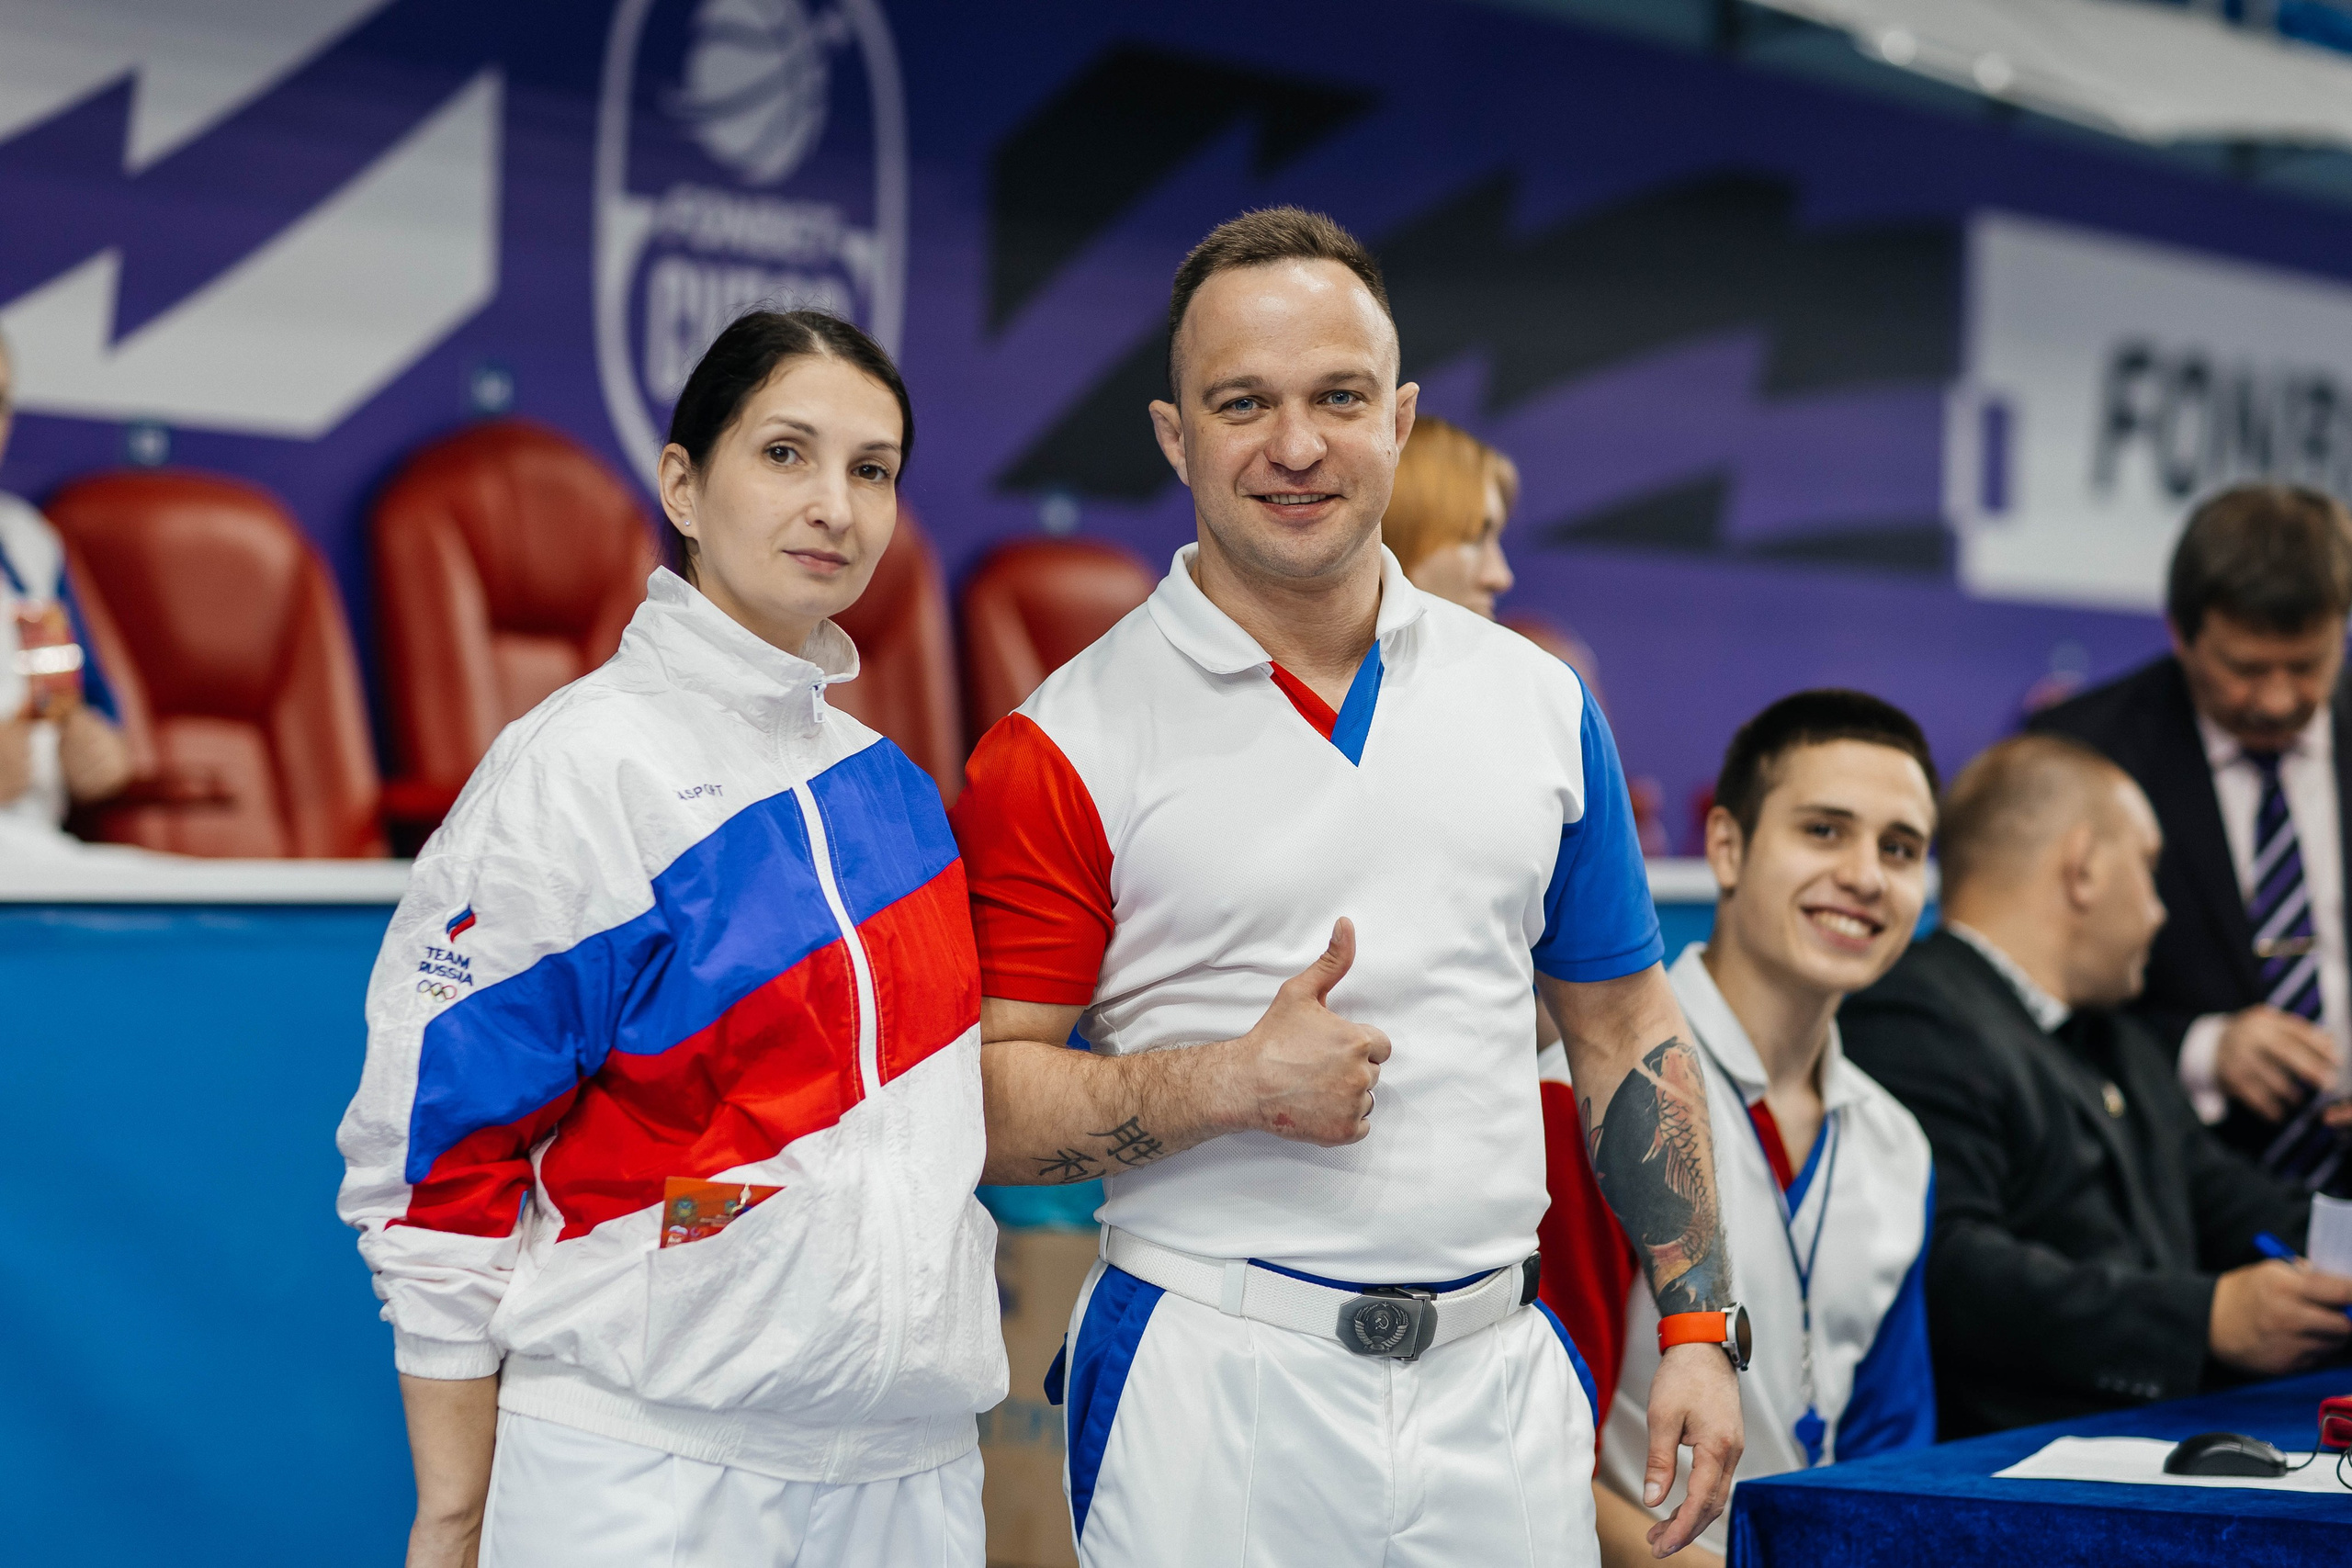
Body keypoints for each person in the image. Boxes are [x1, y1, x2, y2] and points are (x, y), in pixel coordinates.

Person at [951, 208, 1744, 1568]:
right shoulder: (1064, 738)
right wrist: (1232, 1083)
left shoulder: (1541, 704)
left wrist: (1697, 1328)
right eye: (1242, 402)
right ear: (1171, 434)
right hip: (1212, 1381)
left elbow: (1626, 1029)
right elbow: (981, 1106)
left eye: (1339, 397)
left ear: (1403, 417)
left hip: (1498, 1381)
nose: (1297, 445)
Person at [336, 310, 1005, 1568]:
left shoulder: (900, 797)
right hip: (643, 1471)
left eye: (873, 470)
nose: (835, 506)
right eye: (786, 453)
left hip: (911, 1472)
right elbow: (434, 1153)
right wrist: (455, 1506)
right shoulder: (579, 766)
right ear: (684, 484)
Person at [1840, 735, 2352, 1438]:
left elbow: (2226, 1196)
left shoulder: (2114, 1035)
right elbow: (1951, 1266)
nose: (2158, 912)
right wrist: (2207, 1318)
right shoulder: (1909, 1014)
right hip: (2013, 1478)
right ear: (2081, 868)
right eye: (2147, 870)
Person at [1589, 692, 1938, 1567]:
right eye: (1825, 830)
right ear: (1726, 847)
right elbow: (1523, 1438)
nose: (1866, 875)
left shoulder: (1899, 1142)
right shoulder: (1589, 1098)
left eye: (1901, 848)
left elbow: (1892, 1452)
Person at [2031, 485, 2352, 1186]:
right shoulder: (2082, 755)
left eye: (2307, 666)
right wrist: (2202, 1051)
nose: (2276, 699)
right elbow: (2030, 1005)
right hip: (2170, 1197)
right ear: (2180, 632)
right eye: (2245, 669)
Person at [0, 331, 132, 851]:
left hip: (36, 857)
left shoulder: (26, 542)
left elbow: (93, 707)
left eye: (1, 403)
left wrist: (101, 753)